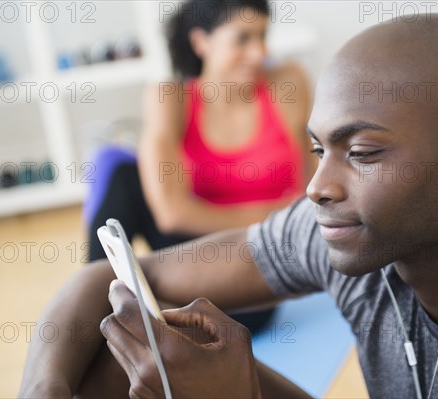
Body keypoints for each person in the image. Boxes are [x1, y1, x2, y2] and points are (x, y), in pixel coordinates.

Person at [19, 14, 438, 398]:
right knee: (115, 362)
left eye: (363, 153)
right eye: (319, 149)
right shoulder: (351, 232)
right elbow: (100, 279)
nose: (317, 187)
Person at [83, 0, 315, 332]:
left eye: (264, 36)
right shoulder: (171, 98)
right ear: (200, 42)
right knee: (123, 176)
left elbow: (312, 194)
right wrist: (275, 215)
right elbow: (171, 214)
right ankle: (94, 309)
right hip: (195, 259)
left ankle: (140, 311)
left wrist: (280, 223)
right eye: (242, 39)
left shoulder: (286, 83)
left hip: (256, 274)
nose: (260, 52)